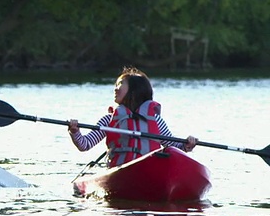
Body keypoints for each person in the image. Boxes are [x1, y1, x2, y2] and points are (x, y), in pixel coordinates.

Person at [67, 66, 198, 168]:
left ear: (134, 91)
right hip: (120, 170)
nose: (116, 89)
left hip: (149, 169)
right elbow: (85, 145)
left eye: (120, 84)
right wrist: (74, 131)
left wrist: (188, 144)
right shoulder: (109, 120)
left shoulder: (155, 120)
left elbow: (174, 146)